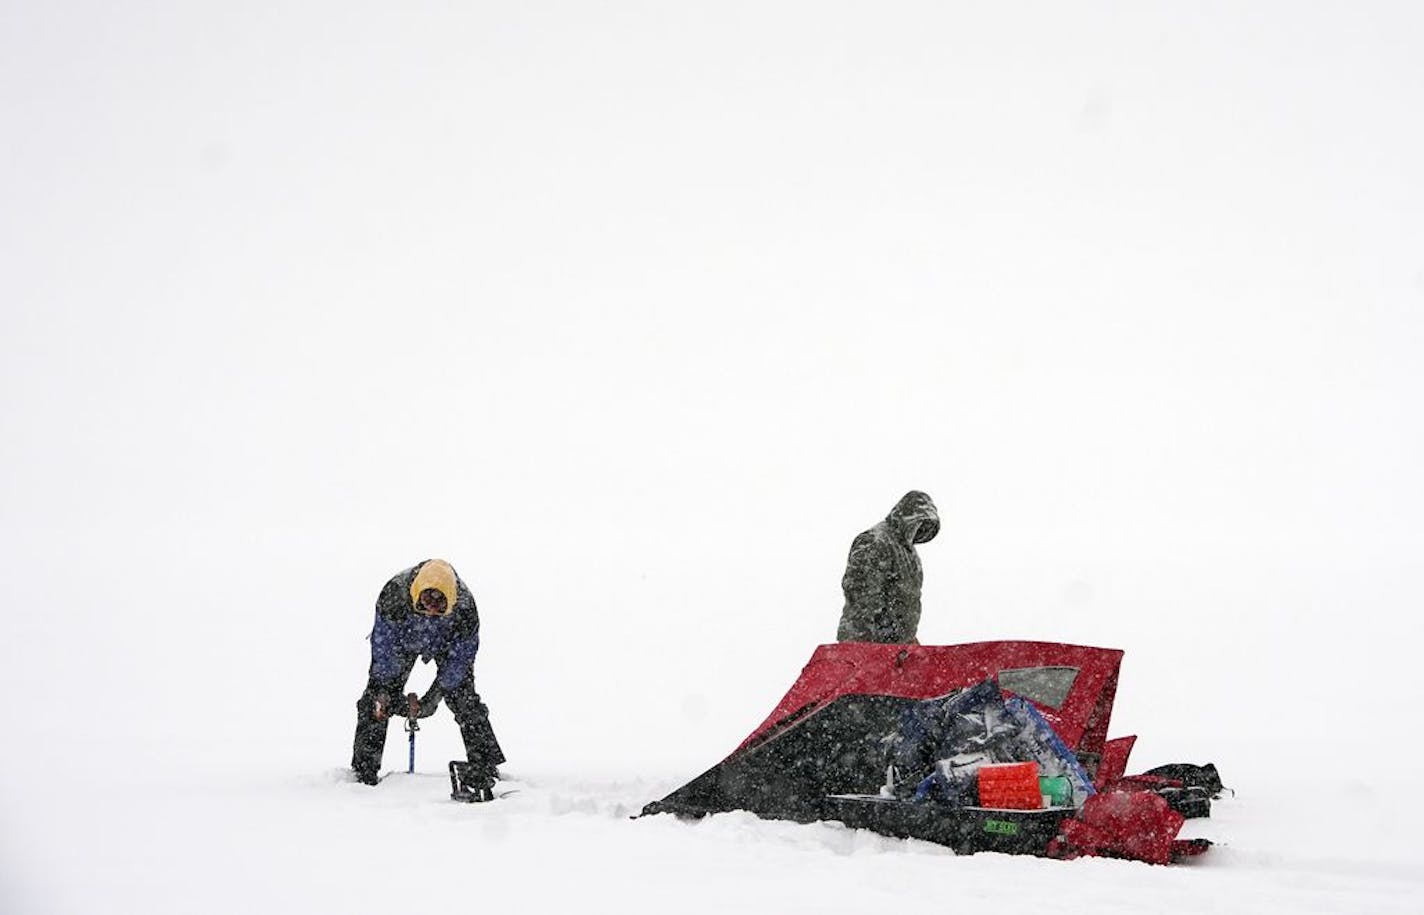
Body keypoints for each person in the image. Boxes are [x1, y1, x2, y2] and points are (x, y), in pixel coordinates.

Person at [351, 558, 505, 788]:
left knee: (464, 699)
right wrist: (385, 691)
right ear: (416, 594)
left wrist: (433, 699)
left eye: (440, 603)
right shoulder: (394, 596)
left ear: (451, 601)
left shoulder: (465, 609)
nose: (432, 609)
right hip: (402, 642)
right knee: (375, 702)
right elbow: (384, 649)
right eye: (426, 601)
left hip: (447, 644)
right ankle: (364, 771)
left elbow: (460, 660)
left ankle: (485, 766)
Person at [836, 491, 940, 644]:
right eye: (919, 524)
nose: (919, 530)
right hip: (869, 643)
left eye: (924, 527)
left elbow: (907, 600)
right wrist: (860, 644)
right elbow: (862, 598)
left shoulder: (908, 553)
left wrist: (908, 639)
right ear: (906, 516)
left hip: (897, 649)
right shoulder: (875, 541)